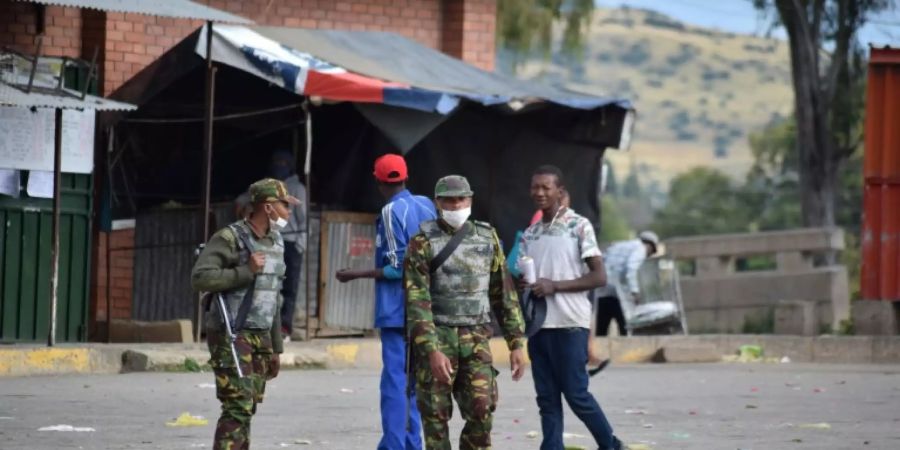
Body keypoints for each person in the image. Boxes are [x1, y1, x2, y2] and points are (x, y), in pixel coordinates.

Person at [405, 175, 527, 450]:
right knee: (435, 419)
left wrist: (516, 342)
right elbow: (417, 301)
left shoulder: (487, 237)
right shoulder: (422, 242)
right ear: (438, 203)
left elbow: (502, 293)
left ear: (470, 200)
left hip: (476, 338)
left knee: (483, 410)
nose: (456, 204)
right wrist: (431, 350)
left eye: (461, 198)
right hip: (438, 337)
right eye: (449, 199)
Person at [518, 165, 624, 450]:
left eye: (546, 187)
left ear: (559, 191)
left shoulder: (579, 225)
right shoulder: (530, 234)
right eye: (535, 187)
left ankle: (611, 444)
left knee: (576, 394)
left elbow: (598, 277)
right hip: (539, 327)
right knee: (547, 399)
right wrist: (525, 285)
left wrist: (554, 286)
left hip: (569, 325)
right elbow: (524, 277)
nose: (539, 192)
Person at [335, 154, 436, 450]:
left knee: (395, 383)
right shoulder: (426, 204)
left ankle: (394, 445)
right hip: (425, 308)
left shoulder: (392, 211)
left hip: (398, 309)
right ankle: (409, 444)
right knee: (413, 384)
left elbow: (399, 266)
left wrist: (356, 274)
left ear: (378, 181)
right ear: (405, 176)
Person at [192, 178, 299, 450]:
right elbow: (201, 278)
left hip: (260, 335)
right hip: (231, 332)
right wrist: (245, 272)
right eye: (285, 205)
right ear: (267, 207)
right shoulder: (230, 238)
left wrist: (275, 347)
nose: (290, 212)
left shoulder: (276, 242)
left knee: (247, 406)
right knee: (237, 406)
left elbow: (272, 296)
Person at [235, 150, 308, 341]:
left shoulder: (296, 188)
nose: (279, 165)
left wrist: (300, 244)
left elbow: (302, 220)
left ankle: (283, 327)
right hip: (270, 240)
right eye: (276, 161)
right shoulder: (266, 186)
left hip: (291, 242)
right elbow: (244, 199)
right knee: (266, 284)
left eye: (284, 162)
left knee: (288, 288)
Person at [595, 231, 660, 336]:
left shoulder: (620, 245)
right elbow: (631, 268)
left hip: (603, 288)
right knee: (626, 327)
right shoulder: (641, 248)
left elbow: (602, 260)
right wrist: (635, 291)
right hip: (618, 292)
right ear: (650, 245)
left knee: (601, 329)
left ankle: (598, 350)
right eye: (651, 252)